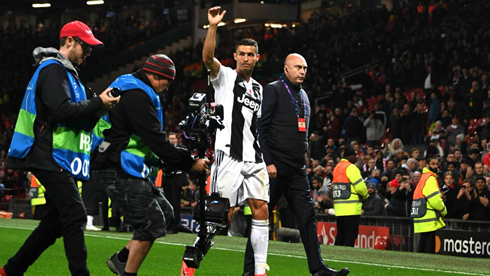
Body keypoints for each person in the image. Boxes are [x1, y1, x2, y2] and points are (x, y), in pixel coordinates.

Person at [1, 21, 119, 276]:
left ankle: (11, 270)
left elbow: (78, 119)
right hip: (46, 151)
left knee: (55, 222)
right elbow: (63, 111)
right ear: (68, 42)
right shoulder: (54, 69)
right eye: (85, 47)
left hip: (54, 153)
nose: (88, 53)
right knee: (75, 214)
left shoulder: (67, 73)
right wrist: (97, 101)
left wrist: (99, 108)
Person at [90, 54, 208, 276]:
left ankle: (121, 259)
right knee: (152, 223)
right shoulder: (137, 95)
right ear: (155, 76)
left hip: (118, 163)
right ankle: (127, 272)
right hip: (114, 166)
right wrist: (190, 164)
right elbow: (155, 139)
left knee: (166, 213)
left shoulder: (132, 86)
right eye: (167, 81)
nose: (167, 87)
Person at [248, 52, 349, 276]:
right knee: (261, 218)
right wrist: (268, 162)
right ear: (286, 69)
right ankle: (249, 270)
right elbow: (260, 128)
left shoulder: (303, 96)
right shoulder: (273, 90)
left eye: (304, 68)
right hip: (275, 168)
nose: (302, 71)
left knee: (307, 217)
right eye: (297, 67)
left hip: (297, 169)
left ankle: (318, 268)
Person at [203, 7, 270, 276]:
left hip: (254, 158)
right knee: (221, 216)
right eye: (241, 54)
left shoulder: (259, 89)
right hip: (228, 155)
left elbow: (259, 126)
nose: (245, 58)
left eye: (250, 54)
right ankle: (195, 253)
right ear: (235, 57)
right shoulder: (225, 77)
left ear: (257, 58)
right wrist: (212, 27)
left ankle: (260, 270)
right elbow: (208, 58)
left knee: (261, 210)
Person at [332, 147, 368, 247]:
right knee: (350, 236)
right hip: (351, 207)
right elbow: (360, 187)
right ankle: (348, 258)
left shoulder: (337, 167)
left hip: (339, 208)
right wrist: (365, 196)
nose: (356, 157)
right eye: (354, 155)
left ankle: (335, 257)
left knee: (340, 235)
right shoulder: (351, 167)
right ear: (349, 156)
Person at [411, 156, 447, 253]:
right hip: (428, 218)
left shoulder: (423, 177)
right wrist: (444, 211)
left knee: (422, 246)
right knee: (429, 249)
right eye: (433, 164)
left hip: (421, 216)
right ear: (427, 165)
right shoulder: (430, 178)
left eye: (436, 164)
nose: (435, 166)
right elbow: (435, 200)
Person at [161, 132, 190, 234]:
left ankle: (174, 225)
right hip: (167, 177)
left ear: (177, 140)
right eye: (170, 139)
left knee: (175, 203)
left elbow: (186, 159)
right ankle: (168, 224)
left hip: (177, 178)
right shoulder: (164, 148)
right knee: (167, 202)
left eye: (173, 138)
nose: (172, 140)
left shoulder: (182, 149)